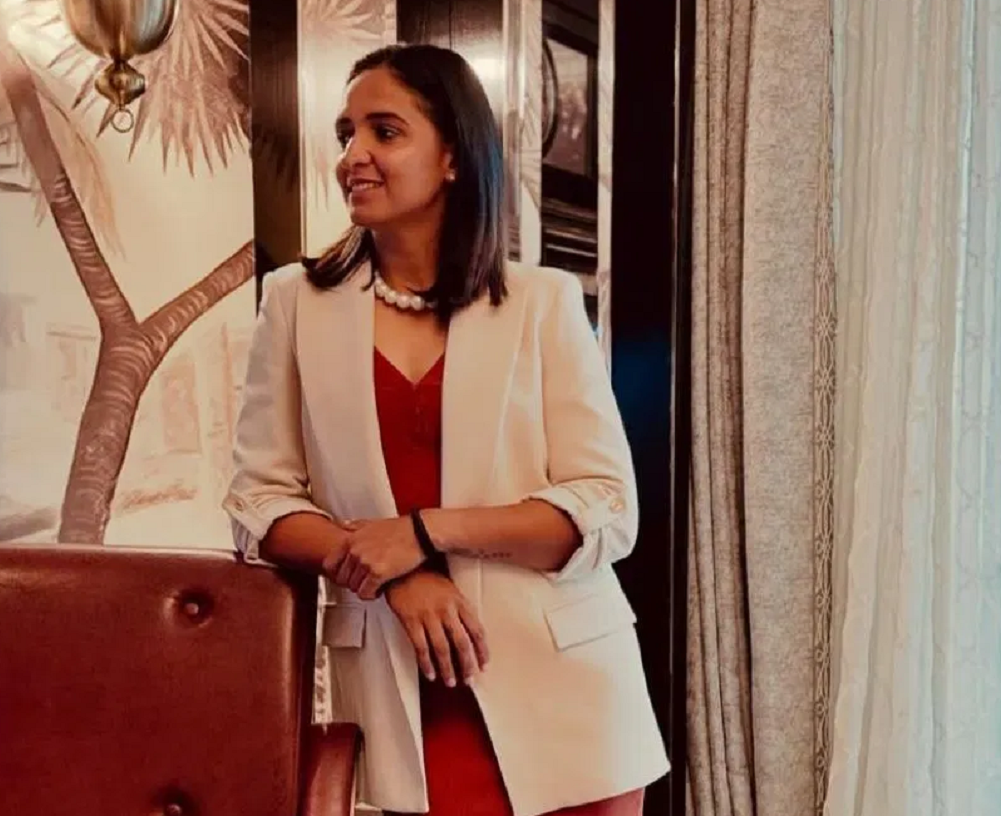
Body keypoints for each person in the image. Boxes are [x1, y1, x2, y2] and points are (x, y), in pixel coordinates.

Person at [223, 43, 668, 816]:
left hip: (568, 702)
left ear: (454, 156)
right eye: (346, 134)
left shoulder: (542, 303)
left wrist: (425, 534)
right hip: (400, 695)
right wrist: (396, 575)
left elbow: (605, 508)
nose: (353, 156)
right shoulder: (295, 303)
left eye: (385, 131)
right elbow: (258, 505)